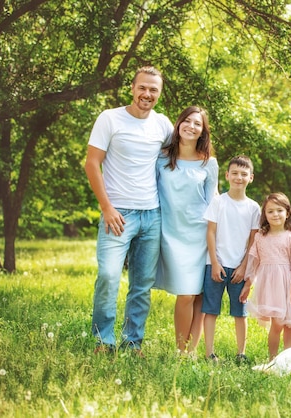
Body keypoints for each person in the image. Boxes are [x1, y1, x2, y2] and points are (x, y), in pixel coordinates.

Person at [84, 66, 174, 356]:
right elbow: (91, 163)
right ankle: (103, 340)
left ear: (159, 94)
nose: (147, 94)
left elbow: (180, 158)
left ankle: (133, 341)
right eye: (143, 88)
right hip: (117, 214)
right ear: (132, 88)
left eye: (153, 90)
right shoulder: (110, 118)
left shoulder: (163, 125)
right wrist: (106, 207)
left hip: (152, 214)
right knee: (109, 276)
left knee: (142, 284)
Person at [153, 106, 218, 356]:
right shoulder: (161, 158)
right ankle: (181, 351)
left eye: (197, 124)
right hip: (172, 234)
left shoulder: (208, 163)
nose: (191, 126)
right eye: (187, 121)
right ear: (179, 124)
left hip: (201, 234)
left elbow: (213, 200)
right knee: (185, 294)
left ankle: (190, 351)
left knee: (198, 294)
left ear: (203, 131)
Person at [202, 155, 261, 363]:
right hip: (216, 265)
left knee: (240, 312)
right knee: (210, 309)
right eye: (235, 173)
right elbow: (210, 233)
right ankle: (209, 352)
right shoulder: (218, 202)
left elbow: (254, 240)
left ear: (251, 178)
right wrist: (215, 263)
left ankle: (241, 353)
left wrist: (244, 267)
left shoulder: (254, 207)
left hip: (239, 268)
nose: (239, 177)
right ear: (227, 176)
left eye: (244, 174)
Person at [242, 192, 291, 360]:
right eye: (270, 211)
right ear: (265, 215)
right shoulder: (261, 237)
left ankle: (288, 358)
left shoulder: (290, 237)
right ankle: (273, 359)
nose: (275, 214)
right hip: (270, 285)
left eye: (279, 210)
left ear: (287, 213)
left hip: (288, 284)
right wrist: (248, 285)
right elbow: (254, 262)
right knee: (277, 323)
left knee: (290, 324)